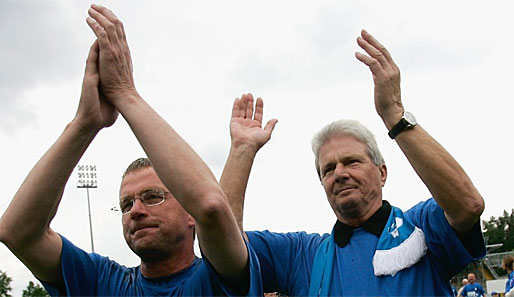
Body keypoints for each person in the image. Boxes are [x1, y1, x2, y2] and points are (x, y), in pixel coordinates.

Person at [0, 5, 261, 297]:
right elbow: (16, 232)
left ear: (191, 215)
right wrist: (83, 125)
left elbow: (212, 208)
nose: (135, 211)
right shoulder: (100, 281)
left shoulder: (224, 275)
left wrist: (125, 93)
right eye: (126, 205)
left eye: (152, 197)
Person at [220, 30, 486, 296]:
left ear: (382, 172)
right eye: (328, 169)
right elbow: (223, 244)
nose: (340, 173)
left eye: (351, 162)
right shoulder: (301, 255)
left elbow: (467, 205)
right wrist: (241, 152)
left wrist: (394, 114)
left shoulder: (420, 230)